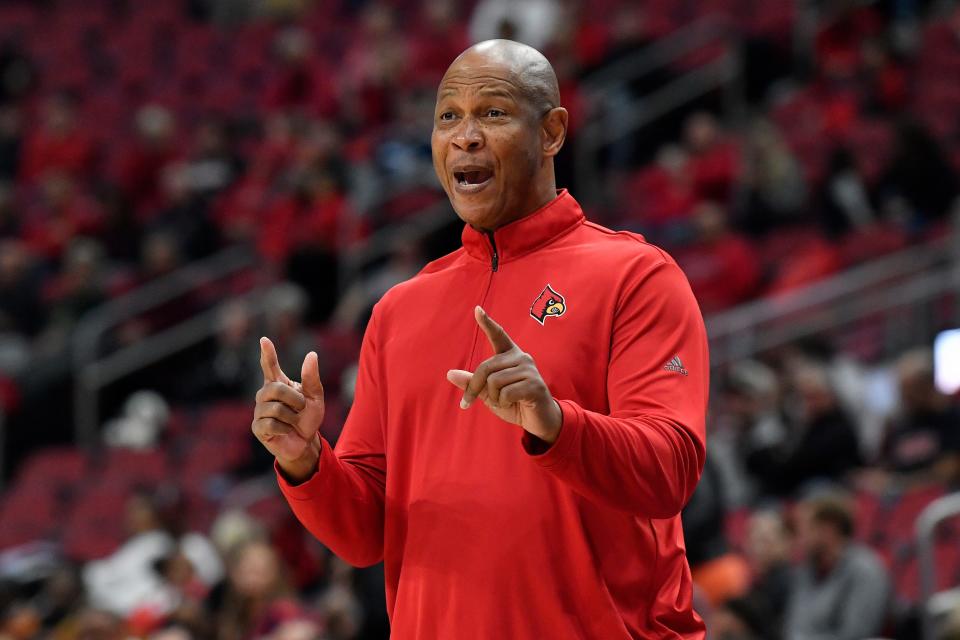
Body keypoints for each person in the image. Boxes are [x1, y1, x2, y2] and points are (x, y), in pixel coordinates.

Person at [252, 39, 709, 639]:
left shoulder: (636, 276)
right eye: (448, 117)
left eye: (492, 113)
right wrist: (306, 460)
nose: (464, 136)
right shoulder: (398, 309)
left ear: (551, 133)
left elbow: (669, 471)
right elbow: (366, 536)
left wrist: (555, 423)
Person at [784, 493, 891, 640]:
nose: (798, 538)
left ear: (828, 529)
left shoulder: (865, 570)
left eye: (804, 528)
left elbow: (856, 635)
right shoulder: (805, 570)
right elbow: (794, 627)